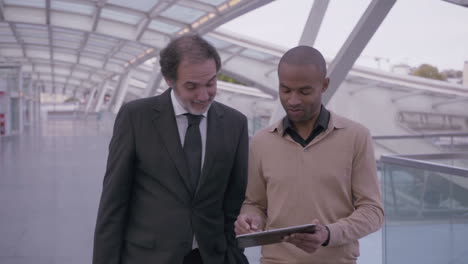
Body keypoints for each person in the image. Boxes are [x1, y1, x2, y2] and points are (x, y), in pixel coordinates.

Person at [93, 34, 249, 264]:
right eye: (191, 86)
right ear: (169, 79)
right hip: (148, 257)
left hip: (211, 256)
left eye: (211, 83)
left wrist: (233, 255)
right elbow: (113, 203)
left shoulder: (235, 123)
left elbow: (234, 200)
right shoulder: (136, 118)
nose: (204, 96)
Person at [234, 46, 384, 264]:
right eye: (285, 90)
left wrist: (329, 234)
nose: (293, 100)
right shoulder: (261, 141)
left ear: (324, 85)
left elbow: (373, 211)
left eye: (304, 92)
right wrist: (250, 218)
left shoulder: (356, 136)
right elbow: (255, 203)